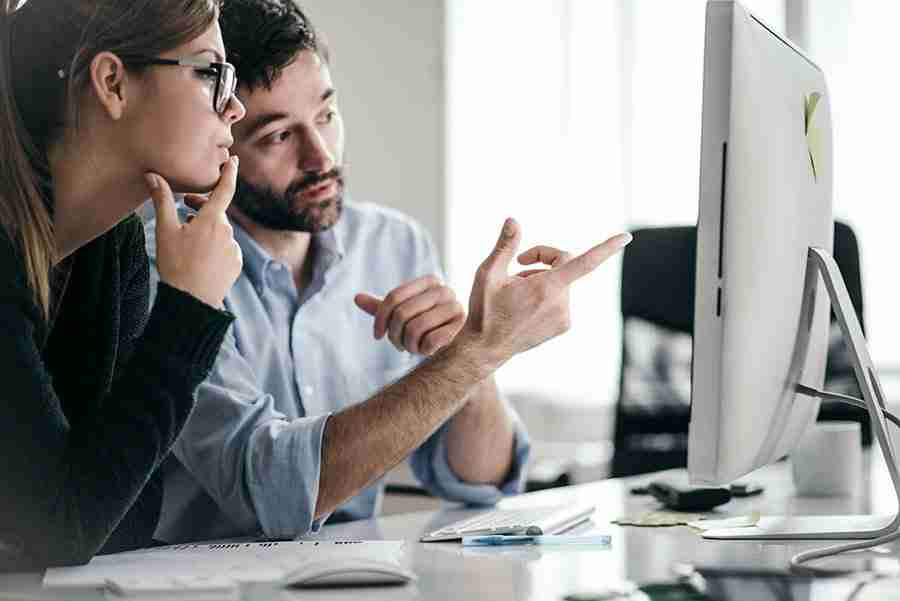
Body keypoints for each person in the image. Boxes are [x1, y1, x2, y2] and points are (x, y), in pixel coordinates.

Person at [147, 0, 632, 543]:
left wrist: (471, 366)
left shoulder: (391, 243)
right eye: (279, 136)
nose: (320, 157)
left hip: (351, 573)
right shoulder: (166, 259)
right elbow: (269, 491)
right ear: (220, 139)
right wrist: (478, 351)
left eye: (327, 116)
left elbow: (483, 482)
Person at [0, 0, 247, 569]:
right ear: (112, 82)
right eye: (212, 73)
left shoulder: (115, 251)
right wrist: (189, 311)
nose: (235, 107)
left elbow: (122, 518)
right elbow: (62, 526)